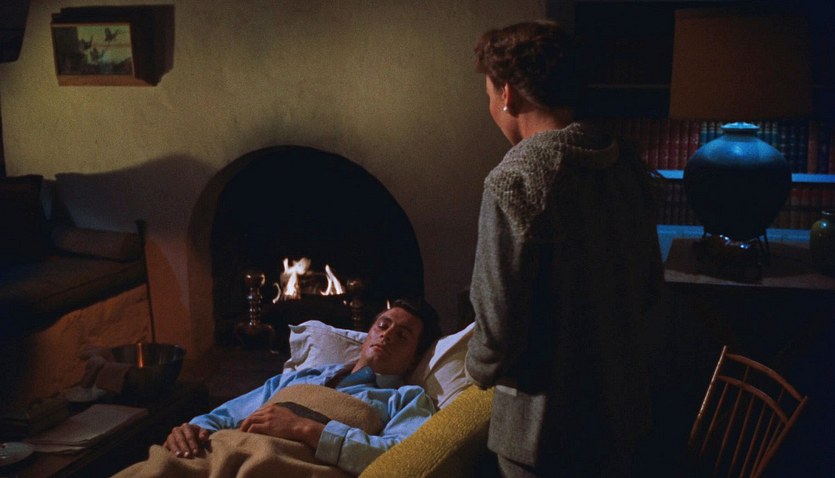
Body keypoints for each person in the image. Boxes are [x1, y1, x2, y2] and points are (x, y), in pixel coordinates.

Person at [464, 20, 664, 478]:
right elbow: (649, 288)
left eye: (490, 93)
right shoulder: (625, 164)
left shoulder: (515, 180)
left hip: (543, 431)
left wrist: (473, 371)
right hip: (623, 413)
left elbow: (497, 326)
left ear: (508, 94)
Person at [118, 297, 442, 477]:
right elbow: (222, 417)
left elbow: (401, 460)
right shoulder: (302, 376)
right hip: (212, 456)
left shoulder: (406, 399)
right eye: (383, 325)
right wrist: (190, 429)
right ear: (368, 333)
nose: (386, 334)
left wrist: (305, 429)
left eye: (402, 336)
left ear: (413, 360)